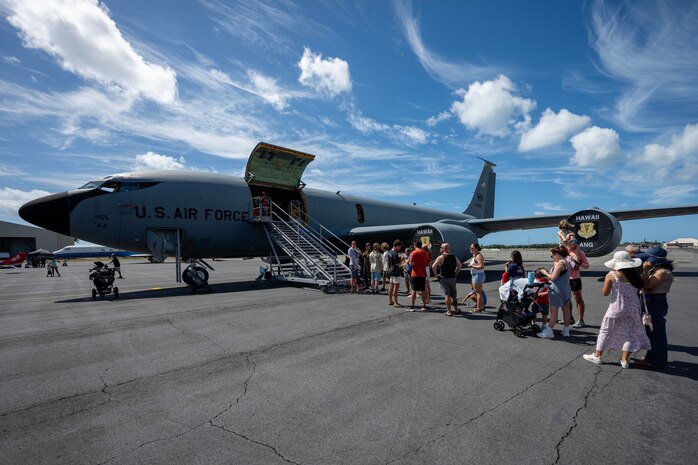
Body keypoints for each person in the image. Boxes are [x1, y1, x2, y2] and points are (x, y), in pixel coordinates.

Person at [582, 251, 651, 368]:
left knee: (605, 331)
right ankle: (624, 360)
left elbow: (605, 293)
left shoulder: (612, 275)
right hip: (633, 308)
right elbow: (642, 286)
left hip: (616, 307)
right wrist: (644, 272)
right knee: (630, 333)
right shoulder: (635, 276)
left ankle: (597, 355)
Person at [638, 246, 674, 369]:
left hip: (656, 301)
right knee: (651, 331)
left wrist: (644, 271)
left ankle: (657, 360)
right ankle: (651, 357)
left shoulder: (662, 272)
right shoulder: (655, 270)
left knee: (656, 332)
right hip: (652, 300)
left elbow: (646, 286)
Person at [537, 246, 572, 338]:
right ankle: (566, 330)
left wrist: (544, 273)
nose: (552, 257)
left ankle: (549, 331)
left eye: (552, 255)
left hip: (557, 290)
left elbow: (553, 278)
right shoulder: (567, 262)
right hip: (566, 289)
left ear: (557, 254)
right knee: (566, 310)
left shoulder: (560, 264)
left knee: (554, 312)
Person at [432, 242, 462, 316]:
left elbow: (433, 267)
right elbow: (460, 265)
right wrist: (456, 273)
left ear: (444, 249)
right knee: (454, 295)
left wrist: (437, 276)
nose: (440, 249)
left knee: (447, 295)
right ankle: (456, 309)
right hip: (452, 278)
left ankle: (449, 311)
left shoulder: (441, 257)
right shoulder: (454, 256)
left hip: (444, 278)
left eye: (441, 247)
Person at [568, 239, 590, 328]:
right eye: (571, 241)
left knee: (578, 299)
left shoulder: (580, 253)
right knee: (566, 299)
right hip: (565, 279)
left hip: (575, 279)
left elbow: (587, 266)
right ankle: (570, 318)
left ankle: (581, 320)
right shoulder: (565, 251)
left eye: (575, 241)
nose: (573, 243)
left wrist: (579, 263)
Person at [407, 241, 430, 311]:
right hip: (423, 273)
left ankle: (412, 306)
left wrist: (408, 263)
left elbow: (411, 264)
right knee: (423, 290)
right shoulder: (425, 253)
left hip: (415, 274)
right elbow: (428, 264)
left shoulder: (413, 253)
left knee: (414, 290)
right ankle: (423, 305)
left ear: (415, 245)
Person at [464, 243, 486, 312]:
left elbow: (481, 266)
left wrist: (472, 266)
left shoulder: (478, 256)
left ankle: (479, 308)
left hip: (478, 275)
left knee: (478, 293)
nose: (470, 249)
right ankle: (481, 306)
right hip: (476, 275)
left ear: (476, 249)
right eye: (470, 248)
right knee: (478, 292)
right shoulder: (475, 256)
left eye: (472, 248)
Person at [386, 240, 403, 307]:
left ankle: (390, 301)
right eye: (399, 247)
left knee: (391, 285)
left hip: (391, 270)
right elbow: (398, 264)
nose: (399, 248)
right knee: (396, 287)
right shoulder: (395, 253)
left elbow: (389, 261)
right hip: (395, 271)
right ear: (396, 246)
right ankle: (396, 302)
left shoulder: (389, 252)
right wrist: (402, 259)